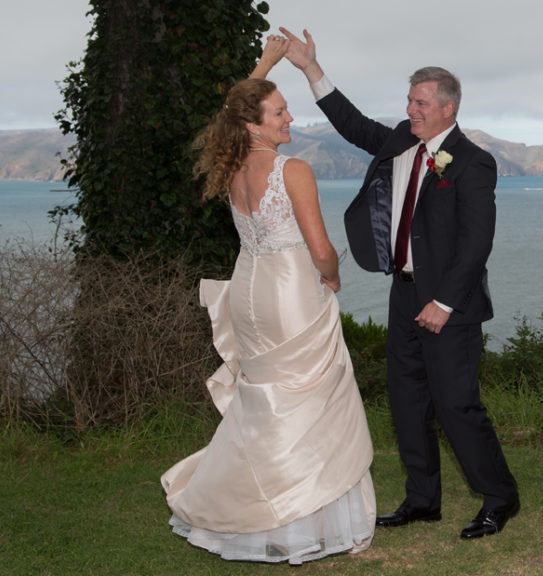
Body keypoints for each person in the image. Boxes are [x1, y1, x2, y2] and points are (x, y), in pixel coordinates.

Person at [279, 28, 519, 540]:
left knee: (457, 404)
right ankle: (422, 500)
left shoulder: (475, 163)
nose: (411, 109)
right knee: (407, 400)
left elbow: (477, 244)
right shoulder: (400, 143)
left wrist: (444, 301)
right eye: (409, 100)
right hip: (404, 292)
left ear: (448, 109)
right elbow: (350, 123)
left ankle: (500, 498)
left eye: (421, 102)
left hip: (449, 304)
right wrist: (310, 69)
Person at [160, 37, 375, 564]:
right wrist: (332, 278)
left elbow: (231, 113)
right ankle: (306, 521)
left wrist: (267, 65)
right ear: (254, 125)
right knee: (311, 401)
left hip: (248, 290)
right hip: (291, 293)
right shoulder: (293, 170)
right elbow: (321, 248)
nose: (288, 116)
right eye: (279, 111)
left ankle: (259, 514)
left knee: (263, 402)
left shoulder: (231, 165)